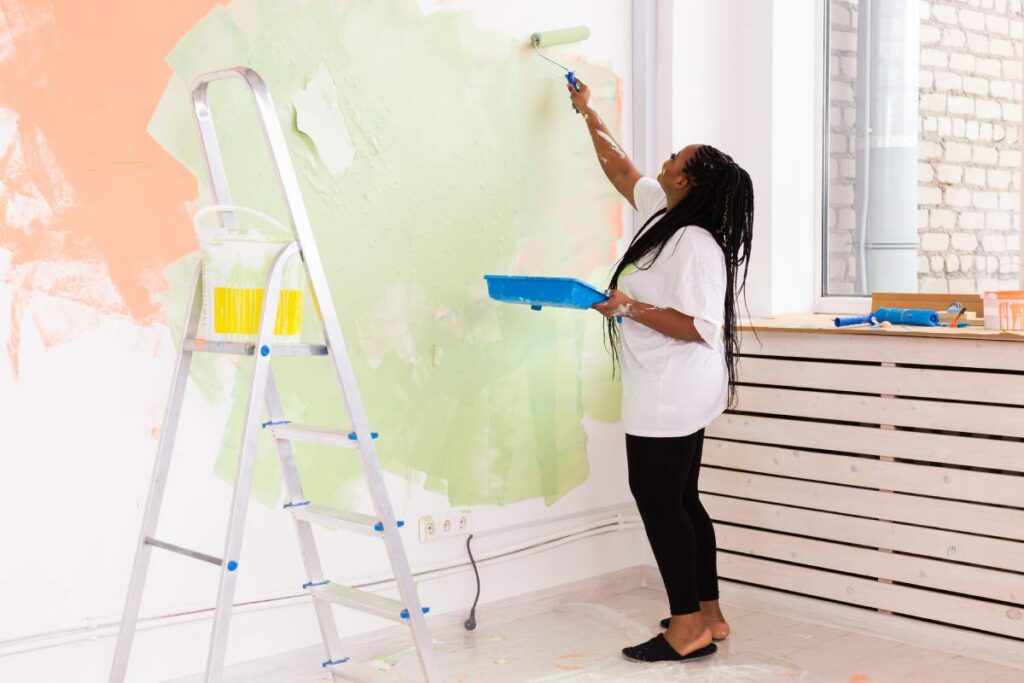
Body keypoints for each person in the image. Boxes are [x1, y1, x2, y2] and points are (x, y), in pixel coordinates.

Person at [568, 79, 754, 663]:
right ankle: (711, 615)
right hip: (669, 385)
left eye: (676, 157)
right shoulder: (662, 212)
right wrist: (587, 112)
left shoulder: (696, 243)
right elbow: (620, 169)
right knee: (682, 498)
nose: (665, 158)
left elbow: (699, 325)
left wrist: (628, 306)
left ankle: (686, 627)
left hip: (673, 391)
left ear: (688, 180)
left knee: (657, 499)